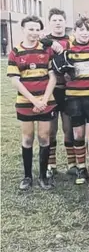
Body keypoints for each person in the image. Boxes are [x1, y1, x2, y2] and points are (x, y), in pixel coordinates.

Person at [7, 15, 57, 190]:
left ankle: (43, 176)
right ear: (23, 29)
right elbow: (15, 80)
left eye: (37, 29)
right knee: (27, 139)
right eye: (31, 29)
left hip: (46, 101)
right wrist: (34, 100)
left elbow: (52, 77)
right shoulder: (15, 51)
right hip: (26, 102)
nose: (34, 33)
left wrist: (43, 99)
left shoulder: (46, 50)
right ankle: (27, 176)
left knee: (44, 137)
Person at [65, 17, 89, 185]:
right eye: (80, 30)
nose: (84, 33)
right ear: (75, 32)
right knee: (78, 133)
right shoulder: (68, 48)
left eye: (87, 30)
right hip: (74, 96)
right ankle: (81, 167)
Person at [44, 8, 77, 178]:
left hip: (68, 90)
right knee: (50, 130)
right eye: (54, 20)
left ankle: (72, 163)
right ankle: (51, 164)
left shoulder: (71, 40)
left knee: (68, 128)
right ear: (50, 22)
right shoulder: (45, 41)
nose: (58, 23)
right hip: (51, 90)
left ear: (65, 22)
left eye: (60, 20)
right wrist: (48, 42)